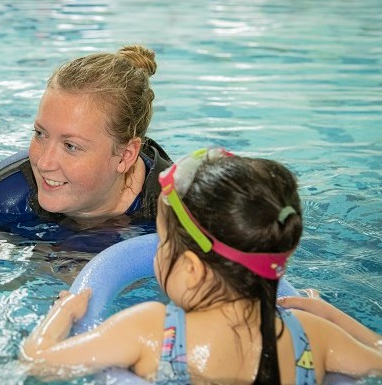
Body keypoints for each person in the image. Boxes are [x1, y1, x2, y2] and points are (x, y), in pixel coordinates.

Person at [21, 148, 382, 383]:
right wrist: (330, 315)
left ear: (192, 270)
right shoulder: (312, 334)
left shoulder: (151, 329)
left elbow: (36, 361)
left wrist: (64, 312)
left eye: (163, 244)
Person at [0, 45, 172, 252]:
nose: (44, 163)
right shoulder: (1, 199)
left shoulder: (179, 213)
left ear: (125, 156)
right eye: (40, 134)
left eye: (71, 146)